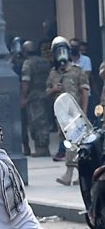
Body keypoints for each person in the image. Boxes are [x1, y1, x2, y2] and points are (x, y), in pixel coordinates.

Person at [45, 36, 89, 185]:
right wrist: (53, 89)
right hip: (61, 116)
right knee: (68, 143)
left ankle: (70, 173)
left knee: (75, 142)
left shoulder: (78, 71)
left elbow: (84, 92)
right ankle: (78, 175)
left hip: (75, 115)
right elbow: (46, 93)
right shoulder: (53, 73)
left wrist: (83, 112)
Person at [20, 41, 53, 157]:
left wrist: (23, 98)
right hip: (46, 94)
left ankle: (41, 148)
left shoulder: (28, 63)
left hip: (33, 96)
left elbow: (26, 81)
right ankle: (44, 147)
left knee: (36, 122)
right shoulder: (45, 62)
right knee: (44, 121)